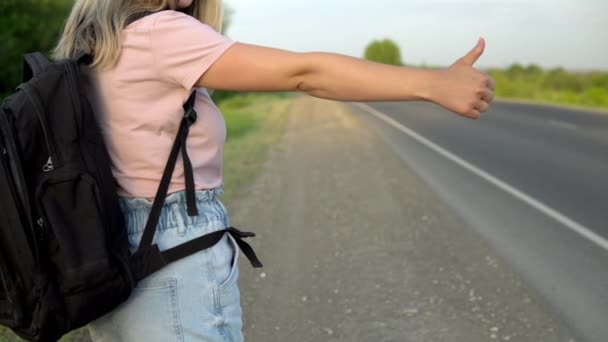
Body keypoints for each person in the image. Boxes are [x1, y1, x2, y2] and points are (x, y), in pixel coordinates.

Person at [52, 0, 495, 340]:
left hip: (110, 252)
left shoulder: (91, 48)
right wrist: (432, 85)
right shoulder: (159, 32)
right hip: (171, 258)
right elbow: (304, 73)